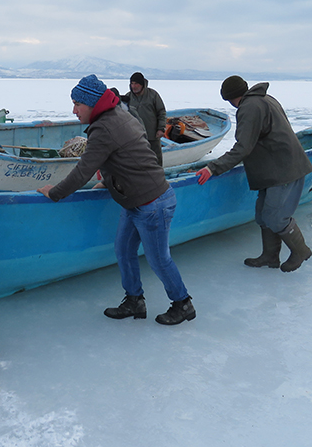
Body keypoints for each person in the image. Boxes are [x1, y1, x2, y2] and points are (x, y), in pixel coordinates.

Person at [37, 74, 195, 325]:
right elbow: (128, 155)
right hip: (135, 201)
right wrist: (109, 180)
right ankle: (134, 300)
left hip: (152, 203)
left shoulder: (104, 127)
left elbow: (83, 171)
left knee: (158, 259)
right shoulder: (120, 114)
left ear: (91, 103)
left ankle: (183, 303)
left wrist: (54, 192)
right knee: (123, 249)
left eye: (78, 103)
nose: (74, 110)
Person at [195, 76, 312, 272]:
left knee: (276, 217)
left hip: (284, 170)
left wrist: (212, 168)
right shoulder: (265, 98)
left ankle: (301, 251)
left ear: (230, 98)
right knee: (262, 215)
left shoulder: (250, 107)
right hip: (272, 169)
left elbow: (243, 147)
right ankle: (270, 256)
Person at [122, 72, 167, 165]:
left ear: (142, 84)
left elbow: (161, 112)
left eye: (136, 84)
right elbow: (123, 117)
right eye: (132, 83)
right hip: (135, 137)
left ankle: (158, 178)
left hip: (152, 135)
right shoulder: (128, 97)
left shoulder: (153, 95)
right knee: (137, 161)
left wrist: (161, 129)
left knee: (156, 160)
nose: (134, 86)